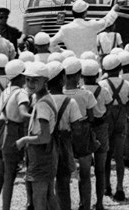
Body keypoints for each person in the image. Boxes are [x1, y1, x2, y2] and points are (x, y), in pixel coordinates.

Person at [15, 62, 60, 210]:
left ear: (45, 81)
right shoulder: (43, 98)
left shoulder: (41, 105)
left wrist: (24, 140)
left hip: (41, 152)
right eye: (28, 79)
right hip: (46, 151)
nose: (30, 83)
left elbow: (44, 137)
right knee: (48, 194)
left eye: (35, 80)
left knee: (39, 196)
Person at [0, 59, 30, 210]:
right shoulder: (22, 92)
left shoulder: (6, 90)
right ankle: (5, 207)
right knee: (9, 176)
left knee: (0, 173)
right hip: (11, 132)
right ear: (21, 76)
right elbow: (23, 114)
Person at [100, 54, 129, 201]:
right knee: (119, 156)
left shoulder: (102, 84)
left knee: (107, 156)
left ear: (104, 69)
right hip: (122, 118)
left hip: (107, 119)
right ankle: (120, 188)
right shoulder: (126, 84)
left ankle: (107, 186)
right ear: (120, 68)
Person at [62, 57, 98, 210]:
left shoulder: (60, 94)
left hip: (65, 134)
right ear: (79, 75)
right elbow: (92, 117)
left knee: (64, 175)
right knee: (85, 174)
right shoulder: (86, 94)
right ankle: (85, 205)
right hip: (82, 132)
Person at [46, 61, 82, 210]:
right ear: (62, 80)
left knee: (46, 184)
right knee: (63, 183)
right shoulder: (70, 102)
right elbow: (77, 129)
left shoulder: (40, 100)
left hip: (45, 143)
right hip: (64, 142)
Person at [81, 59, 112, 210]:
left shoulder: (81, 91)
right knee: (100, 168)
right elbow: (109, 107)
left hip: (85, 129)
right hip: (100, 128)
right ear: (97, 75)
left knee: (84, 170)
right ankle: (99, 202)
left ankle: (83, 203)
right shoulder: (103, 91)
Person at [50, 0, 120, 57]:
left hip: (74, 64)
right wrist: (114, 10)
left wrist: (64, 52)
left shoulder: (64, 29)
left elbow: (50, 44)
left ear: (73, 13)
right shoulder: (91, 25)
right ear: (85, 13)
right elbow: (106, 21)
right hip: (92, 62)